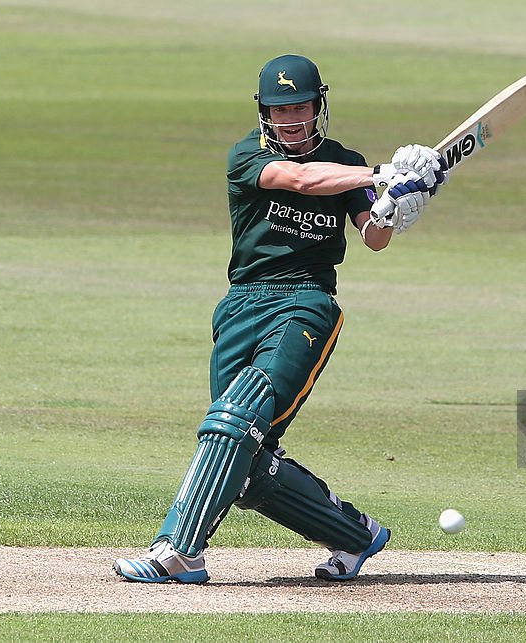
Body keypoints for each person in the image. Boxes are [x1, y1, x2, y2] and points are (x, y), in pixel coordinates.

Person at [113, 54, 445, 584]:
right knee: (243, 464)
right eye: (280, 109)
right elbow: (301, 179)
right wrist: (383, 172)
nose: (291, 119)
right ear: (264, 112)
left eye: (301, 107)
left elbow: (373, 237)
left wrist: (395, 207)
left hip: (306, 303)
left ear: (319, 106)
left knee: (236, 419)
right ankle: (356, 537)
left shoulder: (344, 159)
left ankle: (179, 552)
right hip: (243, 303)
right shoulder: (249, 154)